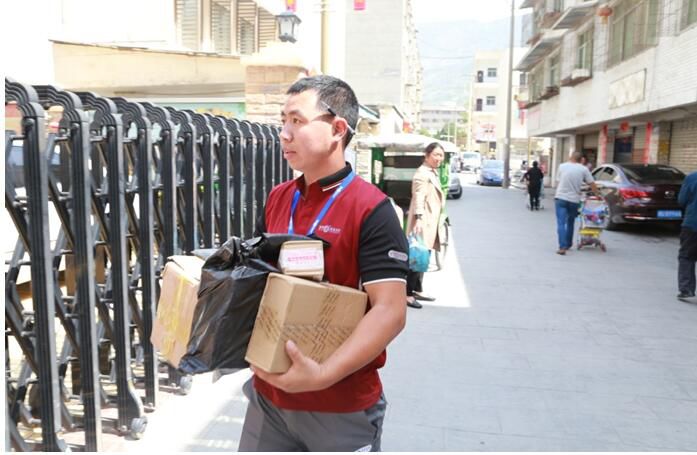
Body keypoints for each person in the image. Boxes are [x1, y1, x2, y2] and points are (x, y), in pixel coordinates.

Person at [240, 75, 409, 451]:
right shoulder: (278, 198)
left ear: (338, 129)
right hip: (269, 399)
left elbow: (390, 310)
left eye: (297, 121)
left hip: (339, 407)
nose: (284, 133)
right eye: (283, 121)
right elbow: (257, 279)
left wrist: (322, 375)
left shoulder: (372, 209)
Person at [404, 142, 445, 309]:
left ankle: (417, 289)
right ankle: (407, 294)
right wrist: (419, 218)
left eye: (441, 155)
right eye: (436, 155)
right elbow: (418, 197)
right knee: (417, 256)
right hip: (423, 221)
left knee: (424, 255)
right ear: (427, 156)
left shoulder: (432, 172)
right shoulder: (422, 174)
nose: (439, 158)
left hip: (429, 221)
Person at [554, 151, 599, 255]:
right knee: (570, 222)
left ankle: (562, 247)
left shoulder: (562, 166)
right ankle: (568, 244)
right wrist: (597, 194)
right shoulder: (584, 169)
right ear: (581, 159)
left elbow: (558, 181)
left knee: (561, 223)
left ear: (571, 157)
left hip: (561, 198)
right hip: (574, 200)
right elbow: (592, 183)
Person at [677, 171, 697, 301]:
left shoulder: (692, 178)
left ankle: (686, 289)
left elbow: (682, 200)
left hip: (693, 224)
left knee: (686, 256)